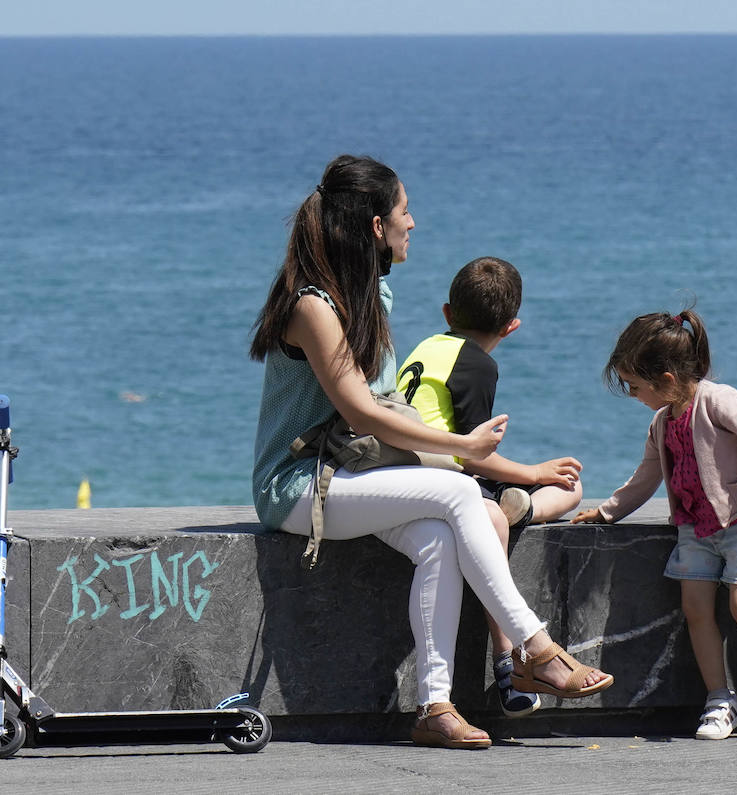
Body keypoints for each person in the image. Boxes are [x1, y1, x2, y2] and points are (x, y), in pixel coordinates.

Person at [250, 155, 613, 750]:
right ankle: (535, 647)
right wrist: (464, 449)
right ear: (375, 226)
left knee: (441, 538)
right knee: (459, 490)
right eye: (403, 211)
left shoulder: (368, 293)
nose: (412, 223)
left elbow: (387, 411)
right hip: (299, 484)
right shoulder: (314, 305)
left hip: (354, 473)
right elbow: (364, 413)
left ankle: (435, 707)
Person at [572, 308, 737, 741]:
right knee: (696, 610)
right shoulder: (661, 422)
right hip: (694, 528)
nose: (632, 394)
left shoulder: (717, 399)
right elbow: (646, 476)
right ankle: (721, 699)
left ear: (665, 378)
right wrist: (607, 511)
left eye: (636, 386)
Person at [396, 255, 584, 717]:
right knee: (558, 489)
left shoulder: (426, 347)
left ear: (447, 314)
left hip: (406, 473)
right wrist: (535, 472)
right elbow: (470, 452)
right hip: (445, 479)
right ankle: (510, 662)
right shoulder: (477, 364)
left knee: (558, 491)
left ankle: (523, 509)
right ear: (512, 326)